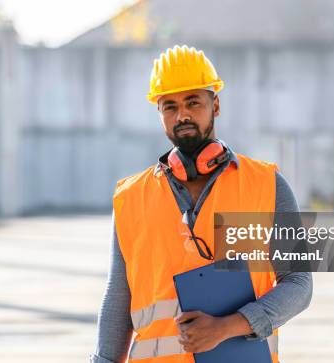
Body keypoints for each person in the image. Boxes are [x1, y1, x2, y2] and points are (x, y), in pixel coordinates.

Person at [89, 45, 312, 363]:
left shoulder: (267, 186)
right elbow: (117, 296)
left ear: (216, 105)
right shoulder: (130, 197)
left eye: (193, 102)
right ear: (160, 113)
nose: (182, 115)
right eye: (170, 106)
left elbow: (299, 283)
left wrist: (226, 327)